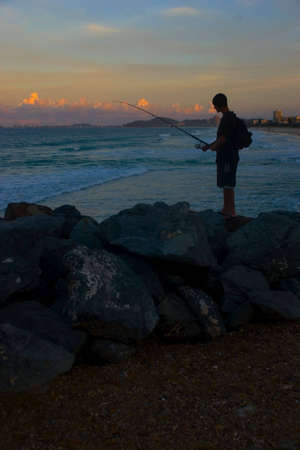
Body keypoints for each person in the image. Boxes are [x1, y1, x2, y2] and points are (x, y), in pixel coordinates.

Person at [196, 93, 239, 218]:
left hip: (228, 157)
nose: (214, 108)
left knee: (228, 183)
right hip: (229, 155)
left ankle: (230, 211)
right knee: (227, 182)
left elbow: (223, 139)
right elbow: (222, 138)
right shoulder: (230, 117)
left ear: (219, 105)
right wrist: (209, 146)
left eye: (215, 105)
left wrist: (213, 147)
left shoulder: (227, 118)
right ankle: (227, 209)